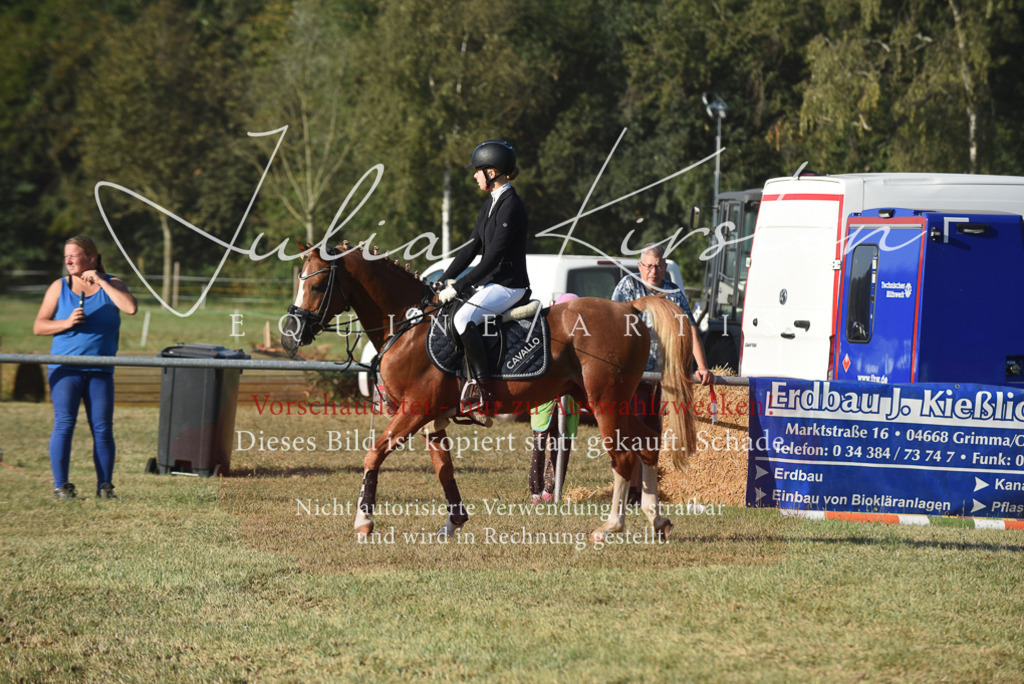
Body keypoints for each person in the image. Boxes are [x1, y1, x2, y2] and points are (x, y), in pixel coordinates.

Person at [34, 236, 138, 499]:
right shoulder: (60, 287)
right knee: (64, 424)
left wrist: (101, 281)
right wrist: (66, 323)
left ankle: (105, 487)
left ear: (91, 258)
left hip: (100, 369)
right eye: (66, 256)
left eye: (74, 255)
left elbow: (130, 308)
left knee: (102, 428)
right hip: (65, 368)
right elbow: (39, 326)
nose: (68, 260)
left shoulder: (113, 283)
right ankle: (61, 487)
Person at [611, 243, 712, 504]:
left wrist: (701, 366)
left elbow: (690, 328)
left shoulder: (673, 292)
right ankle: (630, 491)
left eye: (658, 266)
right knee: (632, 433)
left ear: (665, 267)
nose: (653, 271)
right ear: (640, 266)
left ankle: (643, 492)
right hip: (634, 375)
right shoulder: (628, 286)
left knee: (652, 434)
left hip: (662, 377)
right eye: (648, 266)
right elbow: (612, 323)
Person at [437, 140, 530, 412]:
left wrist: (460, 285)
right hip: (493, 283)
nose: (474, 176)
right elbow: (470, 248)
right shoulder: (490, 205)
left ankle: (484, 390)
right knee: (454, 314)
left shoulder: (511, 206)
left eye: (478, 171)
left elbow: (493, 258)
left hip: (510, 286)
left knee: (463, 318)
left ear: (492, 173)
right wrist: (444, 278)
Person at [528, 293, 581, 502]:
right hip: (545, 401)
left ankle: (551, 489)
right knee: (539, 445)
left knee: (562, 447)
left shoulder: (583, 342)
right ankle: (536, 490)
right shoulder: (544, 337)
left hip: (568, 402)